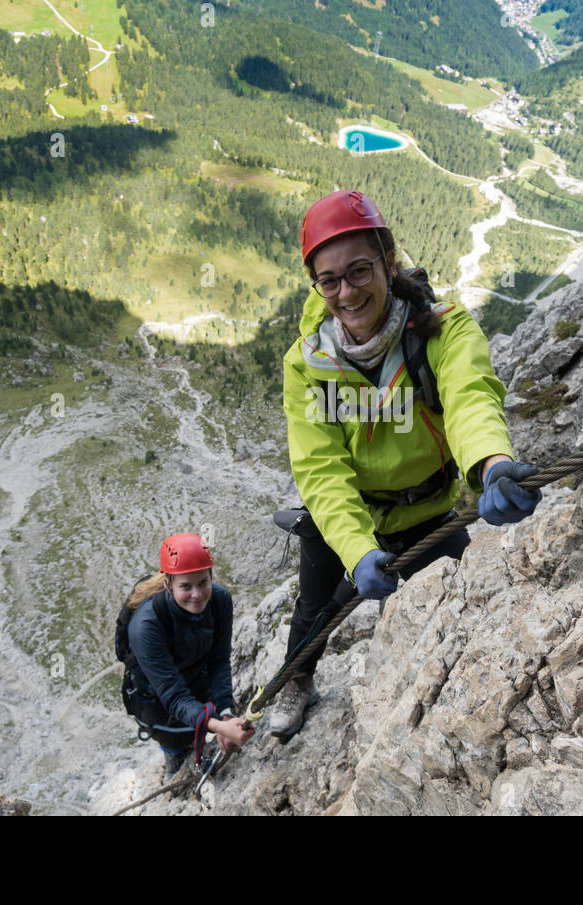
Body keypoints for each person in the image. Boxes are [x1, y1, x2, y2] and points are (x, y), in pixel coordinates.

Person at [269, 189, 542, 738]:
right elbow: (321, 469)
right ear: (317, 286)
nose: (346, 292)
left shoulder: (441, 328)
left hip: (431, 513)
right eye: (329, 280)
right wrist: (357, 548)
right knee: (314, 610)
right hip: (352, 519)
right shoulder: (308, 364)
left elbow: (469, 397)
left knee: (459, 614)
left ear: (388, 262)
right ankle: (298, 679)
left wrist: (491, 464)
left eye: (360, 270)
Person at [120, 533, 255, 779]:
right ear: (168, 584)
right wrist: (217, 725)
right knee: (174, 741)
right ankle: (174, 764)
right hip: (157, 698)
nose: (197, 594)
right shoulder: (146, 626)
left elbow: (219, 661)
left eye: (203, 582)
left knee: (196, 726)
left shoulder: (220, 600)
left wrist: (225, 712)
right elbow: (173, 697)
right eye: (185, 586)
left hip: (195, 678)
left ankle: (191, 747)